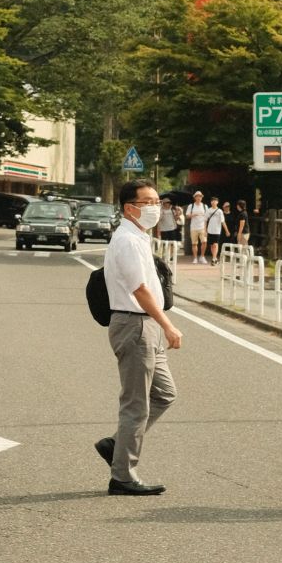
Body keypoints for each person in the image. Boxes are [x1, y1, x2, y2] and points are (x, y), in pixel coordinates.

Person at [94, 180, 181, 495]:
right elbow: (139, 290)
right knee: (135, 404)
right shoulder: (128, 241)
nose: (155, 207)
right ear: (130, 207)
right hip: (135, 325)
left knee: (165, 394)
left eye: (157, 201)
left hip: (146, 326)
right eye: (148, 202)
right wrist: (168, 324)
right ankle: (122, 476)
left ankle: (116, 445)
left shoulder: (139, 237)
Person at [186, 191, 209, 265]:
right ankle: (195, 258)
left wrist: (206, 228)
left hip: (202, 227)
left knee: (204, 242)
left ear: (202, 197)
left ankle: (202, 256)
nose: (199, 197)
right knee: (194, 244)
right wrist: (193, 215)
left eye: (200, 196)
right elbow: (187, 216)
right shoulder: (191, 206)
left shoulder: (205, 206)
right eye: (197, 196)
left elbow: (207, 217)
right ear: (195, 197)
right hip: (193, 227)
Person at [205, 199, 227, 264]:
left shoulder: (220, 211)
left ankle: (213, 259)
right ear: (211, 202)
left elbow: (223, 221)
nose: (213, 202)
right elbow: (205, 220)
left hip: (217, 230)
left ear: (217, 202)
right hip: (210, 230)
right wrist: (205, 230)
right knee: (212, 245)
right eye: (212, 201)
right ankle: (214, 258)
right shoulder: (208, 210)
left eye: (215, 201)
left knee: (215, 244)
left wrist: (226, 230)